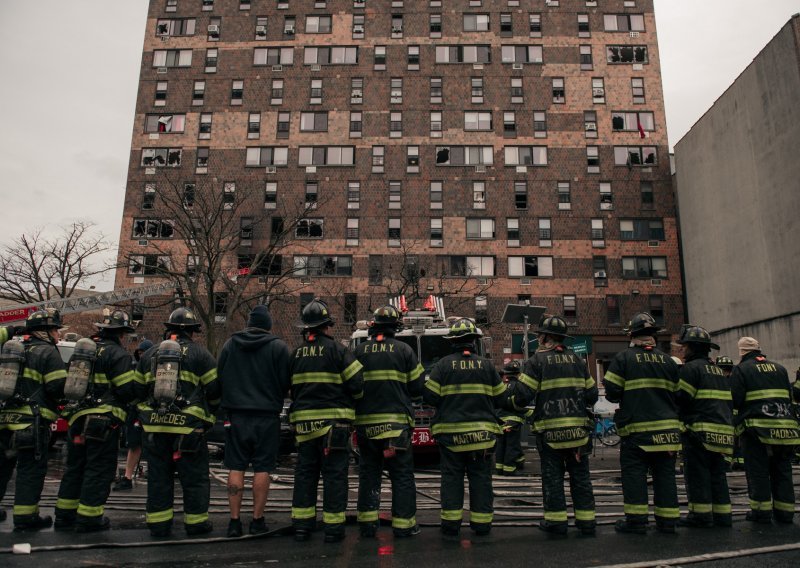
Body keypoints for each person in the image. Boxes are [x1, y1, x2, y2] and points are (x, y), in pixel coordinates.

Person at [134, 307, 220, 537]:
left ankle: (159, 525)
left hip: (154, 428)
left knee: (159, 477)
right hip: (189, 429)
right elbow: (214, 392)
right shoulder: (201, 355)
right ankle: (195, 523)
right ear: (192, 332)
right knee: (194, 479)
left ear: (168, 329)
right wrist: (208, 418)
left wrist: (145, 416)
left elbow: (137, 391)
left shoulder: (150, 354)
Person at [509, 316, 598, 536]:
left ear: (546, 337)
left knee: (553, 478)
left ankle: (557, 523)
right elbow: (592, 395)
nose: (538, 338)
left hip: (551, 435)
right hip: (579, 434)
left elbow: (522, 396)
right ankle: (586, 522)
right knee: (581, 478)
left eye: (540, 335)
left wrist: (509, 402)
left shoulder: (537, 362)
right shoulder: (578, 361)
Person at [54, 310, 138, 532]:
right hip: (103, 422)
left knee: (74, 467)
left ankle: (64, 515)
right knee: (98, 469)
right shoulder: (119, 355)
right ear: (121, 334)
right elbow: (126, 390)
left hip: (77, 419)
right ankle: (90, 518)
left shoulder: (82, 353)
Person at [289, 299, 363, 543]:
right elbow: (357, 384)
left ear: (306, 328)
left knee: (305, 475)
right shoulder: (339, 350)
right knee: (334, 476)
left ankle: (302, 526)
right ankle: (333, 529)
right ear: (326, 326)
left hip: (304, 427)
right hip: (335, 426)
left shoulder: (296, 353)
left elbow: (288, 387)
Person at [423, 318, 505, 538]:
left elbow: (430, 397)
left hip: (451, 438)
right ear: (474, 342)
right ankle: (482, 525)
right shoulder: (487, 366)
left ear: (453, 342)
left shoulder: (442, 366)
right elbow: (501, 398)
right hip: (482, 438)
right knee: (481, 480)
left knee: (452, 479)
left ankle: (451, 526)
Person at [603, 312, 681, 534]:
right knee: (665, 476)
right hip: (667, 433)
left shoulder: (624, 358)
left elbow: (612, 393)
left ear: (633, 335)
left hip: (638, 432)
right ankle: (668, 521)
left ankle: (636, 521)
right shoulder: (668, 361)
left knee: (635, 475)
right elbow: (678, 395)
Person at [217, 305, 291, 537]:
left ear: (249, 324)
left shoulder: (230, 345)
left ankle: (234, 521)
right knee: (263, 468)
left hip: (236, 416)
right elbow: (285, 383)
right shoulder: (278, 348)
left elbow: (219, 377)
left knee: (236, 466)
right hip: (266, 416)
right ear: (268, 325)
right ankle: (258, 520)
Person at [353, 305, 425, 538]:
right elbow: (417, 389)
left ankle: (367, 525)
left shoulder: (359, 351)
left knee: (369, 474)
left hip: (366, 427)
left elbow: (351, 387)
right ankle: (404, 527)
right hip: (396, 428)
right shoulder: (405, 350)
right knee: (402, 476)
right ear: (396, 328)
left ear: (374, 326)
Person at [0, 310, 67, 530]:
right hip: (32, 422)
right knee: (30, 470)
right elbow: (57, 387)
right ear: (45, 331)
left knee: (2, 467)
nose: (58, 334)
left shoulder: (11, 351)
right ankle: (25, 517)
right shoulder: (48, 352)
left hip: (4, 419)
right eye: (55, 329)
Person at [731, 337, 800, 524]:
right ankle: (785, 513)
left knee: (758, 471)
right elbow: (789, 396)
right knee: (782, 471)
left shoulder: (742, 369)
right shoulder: (780, 369)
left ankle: (761, 513)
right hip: (785, 429)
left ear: (742, 352)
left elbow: (735, 399)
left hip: (757, 431)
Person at [675, 326, 733, 528]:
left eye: (685, 347)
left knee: (698, 475)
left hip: (698, 432)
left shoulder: (691, 370)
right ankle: (723, 515)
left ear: (692, 348)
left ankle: (700, 516)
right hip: (722, 431)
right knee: (718, 475)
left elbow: (682, 399)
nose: (682, 350)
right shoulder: (717, 370)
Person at [114, 338, 153, 491]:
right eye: (140, 353)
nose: (142, 355)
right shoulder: (134, 367)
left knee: (153, 445)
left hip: (148, 412)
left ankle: (152, 472)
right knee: (134, 444)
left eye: (144, 353)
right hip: (136, 411)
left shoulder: (152, 368)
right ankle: (128, 477)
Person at [494, 360, 532, 476]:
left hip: (500, 422)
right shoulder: (520, 386)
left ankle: (499, 468)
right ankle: (509, 469)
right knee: (512, 445)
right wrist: (529, 412)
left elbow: (496, 403)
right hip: (514, 422)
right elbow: (522, 402)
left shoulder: (502, 387)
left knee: (501, 444)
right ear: (518, 374)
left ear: (506, 374)